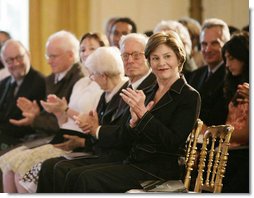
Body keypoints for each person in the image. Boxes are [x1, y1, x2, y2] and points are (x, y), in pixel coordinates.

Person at [38, 31, 201, 193]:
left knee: (84, 178)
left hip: (160, 170)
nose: (161, 63)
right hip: (135, 161)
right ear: (149, 61)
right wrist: (133, 124)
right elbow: (129, 136)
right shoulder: (149, 91)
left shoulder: (189, 95)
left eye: (167, 57)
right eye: (155, 58)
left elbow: (173, 142)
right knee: (73, 174)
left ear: (179, 58)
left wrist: (143, 116)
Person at [0, 32, 108, 193]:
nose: (85, 53)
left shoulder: (86, 80)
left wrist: (41, 117)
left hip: (78, 142)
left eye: (91, 48)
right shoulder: (77, 82)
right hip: (58, 135)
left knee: (20, 171)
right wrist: (43, 115)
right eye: (83, 49)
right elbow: (62, 122)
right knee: (9, 164)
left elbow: (86, 123)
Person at [8, 30, 84, 137]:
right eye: (48, 56)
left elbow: (69, 123)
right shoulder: (50, 78)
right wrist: (36, 114)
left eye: (53, 56)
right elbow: (50, 117)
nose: (49, 61)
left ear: (70, 55)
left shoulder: (80, 80)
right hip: (45, 136)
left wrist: (35, 119)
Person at [0, 40, 46, 151]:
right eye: (10, 60)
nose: (16, 63)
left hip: (23, 142)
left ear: (28, 55)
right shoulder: (4, 83)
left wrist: (36, 117)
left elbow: (43, 124)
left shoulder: (42, 82)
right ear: (4, 62)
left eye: (19, 57)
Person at [188, 18, 230, 131]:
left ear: (226, 44)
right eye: (204, 44)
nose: (208, 49)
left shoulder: (232, 76)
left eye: (215, 43)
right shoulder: (195, 75)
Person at [220, 32, 249, 193]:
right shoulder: (235, 85)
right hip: (229, 150)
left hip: (243, 155)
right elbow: (230, 120)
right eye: (226, 59)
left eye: (231, 58)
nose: (227, 64)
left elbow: (247, 135)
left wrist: (214, 132)